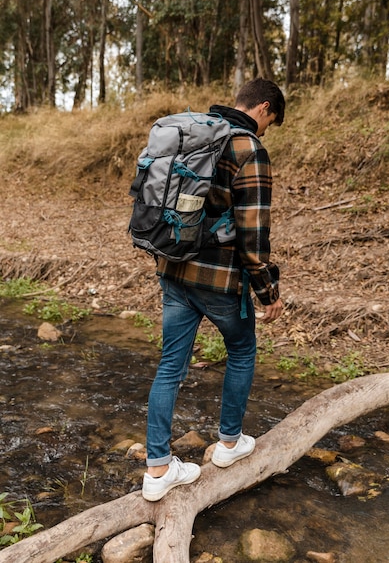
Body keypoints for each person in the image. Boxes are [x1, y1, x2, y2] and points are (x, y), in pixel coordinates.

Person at [142, 77, 285, 502]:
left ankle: (157, 469)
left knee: (170, 364)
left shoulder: (192, 132)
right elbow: (253, 233)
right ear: (262, 108)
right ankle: (228, 444)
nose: (266, 130)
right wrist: (268, 291)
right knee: (241, 351)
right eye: (270, 121)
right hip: (219, 281)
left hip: (173, 268)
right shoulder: (249, 149)